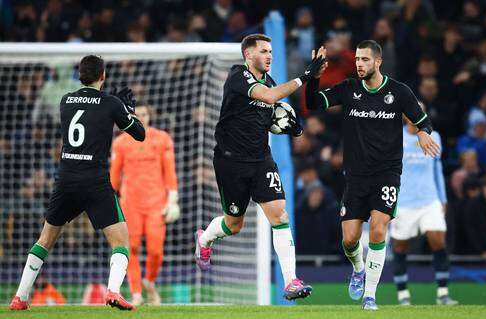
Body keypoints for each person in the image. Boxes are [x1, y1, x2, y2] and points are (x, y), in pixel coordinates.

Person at [306, 40, 440, 310]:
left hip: (387, 174)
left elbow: (422, 119)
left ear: (378, 62)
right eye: (357, 59)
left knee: (379, 230)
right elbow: (313, 103)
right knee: (350, 239)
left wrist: (424, 133)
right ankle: (358, 269)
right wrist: (312, 77)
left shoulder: (399, 92)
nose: (359, 64)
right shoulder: (349, 88)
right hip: (356, 177)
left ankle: (370, 296)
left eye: (365, 60)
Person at [194, 33, 326, 301]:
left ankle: (291, 281)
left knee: (280, 216)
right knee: (234, 224)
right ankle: (205, 239)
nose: (269, 56)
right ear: (248, 55)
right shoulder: (237, 76)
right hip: (230, 162)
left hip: (260, 160)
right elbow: (267, 98)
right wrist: (304, 77)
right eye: (264, 51)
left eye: (271, 52)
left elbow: (273, 114)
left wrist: (293, 128)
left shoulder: (272, 82)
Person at [9, 55, 145, 311]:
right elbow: (140, 134)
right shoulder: (111, 103)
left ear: (79, 75)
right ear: (102, 76)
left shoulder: (66, 101)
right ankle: (113, 291)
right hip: (95, 181)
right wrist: (128, 112)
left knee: (45, 240)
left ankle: (20, 297)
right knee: (121, 243)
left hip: (66, 180)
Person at [110, 104, 179, 306]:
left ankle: (149, 281)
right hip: (130, 203)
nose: (141, 117)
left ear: (149, 116)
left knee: (156, 251)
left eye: (144, 114)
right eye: (136, 115)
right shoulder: (121, 143)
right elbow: (114, 176)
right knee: (130, 248)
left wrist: (172, 199)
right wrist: (109, 201)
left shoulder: (162, 139)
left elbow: (169, 171)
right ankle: (137, 293)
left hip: (156, 204)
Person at [391, 112, 458, 306]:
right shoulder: (396, 135)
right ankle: (403, 296)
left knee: (438, 241)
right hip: (403, 202)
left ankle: (443, 294)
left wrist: (442, 199)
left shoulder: (434, 137)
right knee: (400, 247)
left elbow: (437, 169)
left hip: (430, 200)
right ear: (405, 116)